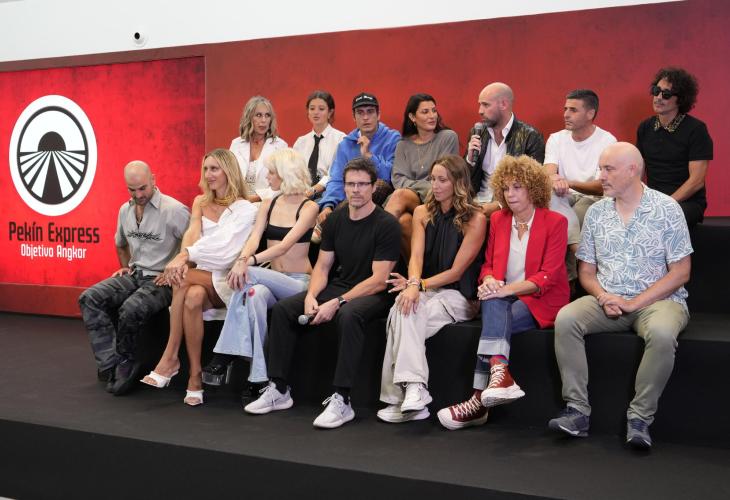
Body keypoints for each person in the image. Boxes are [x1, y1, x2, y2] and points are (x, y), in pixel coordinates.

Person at [549, 142, 692, 450]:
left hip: (659, 302)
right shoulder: (596, 212)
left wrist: (633, 304)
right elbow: (586, 272)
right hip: (608, 299)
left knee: (662, 334)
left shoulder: (667, 208)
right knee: (567, 319)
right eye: (600, 169)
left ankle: (640, 418)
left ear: (632, 170)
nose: (601, 176)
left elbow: (681, 272)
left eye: (608, 169)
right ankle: (577, 411)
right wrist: (603, 296)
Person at [245, 157, 401, 429]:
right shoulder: (336, 219)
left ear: (374, 186)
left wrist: (338, 302)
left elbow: (378, 280)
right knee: (284, 309)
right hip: (341, 284)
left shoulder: (386, 224)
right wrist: (311, 296)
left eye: (362, 184)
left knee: (349, 315)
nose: (355, 190)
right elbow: (323, 266)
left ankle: (342, 399)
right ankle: (279, 389)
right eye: (350, 184)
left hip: (375, 293)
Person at [438, 155, 569, 430]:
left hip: (540, 300)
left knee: (494, 312)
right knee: (492, 300)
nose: (510, 194)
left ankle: (477, 402)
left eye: (517, 187)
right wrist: (488, 280)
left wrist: (502, 289)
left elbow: (547, 277)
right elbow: (488, 265)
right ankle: (500, 374)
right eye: (506, 188)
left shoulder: (556, 222)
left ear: (533, 188)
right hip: (505, 296)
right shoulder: (498, 219)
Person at [140, 149, 257, 406]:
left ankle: (170, 357)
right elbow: (192, 234)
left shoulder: (245, 208)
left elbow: (225, 250)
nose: (208, 174)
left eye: (214, 168)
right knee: (192, 296)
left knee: (182, 279)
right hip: (199, 277)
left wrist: (183, 259)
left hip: (228, 280)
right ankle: (195, 377)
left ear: (229, 171)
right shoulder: (200, 202)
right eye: (206, 169)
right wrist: (183, 258)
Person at [202, 149, 318, 399]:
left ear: (286, 174)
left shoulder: (310, 207)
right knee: (253, 296)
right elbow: (254, 238)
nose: (268, 178)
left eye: (272, 173)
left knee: (250, 275)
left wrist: (248, 263)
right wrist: (243, 259)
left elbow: (285, 245)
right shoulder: (269, 203)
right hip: (270, 281)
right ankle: (259, 379)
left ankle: (224, 354)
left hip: (298, 284)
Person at [378, 155, 486, 424]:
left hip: (461, 295)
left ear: (458, 183)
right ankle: (416, 392)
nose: (435, 186)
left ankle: (398, 397)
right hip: (427, 290)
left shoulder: (476, 218)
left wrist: (418, 285)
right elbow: (415, 257)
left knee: (404, 313)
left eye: (442, 180)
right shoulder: (421, 213)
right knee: (402, 307)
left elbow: (457, 272)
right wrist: (414, 285)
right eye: (433, 179)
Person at [78, 161, 189, 395]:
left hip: (162, 281)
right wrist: (124, 267)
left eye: (143, 188)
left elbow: (194, 247)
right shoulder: (124, 210)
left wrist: (175, 270)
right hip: (135, 274)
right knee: (89, 298)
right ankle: (110, 363)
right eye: (132, 189)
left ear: (153, 180)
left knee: (130, 309)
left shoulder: (174, 210)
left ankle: (127, 361)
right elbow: (120, 244)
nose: (138, 195)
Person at [544, 89, 616, 280]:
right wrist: (555, 180)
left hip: (593, 198)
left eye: (573, 110)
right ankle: (574, 264)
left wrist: (568, 183)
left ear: (590, 113)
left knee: (565, 220)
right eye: (565, 109)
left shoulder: (607, 141)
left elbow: (601, 186)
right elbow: (548, 172)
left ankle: (568, 278)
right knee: (551, 203)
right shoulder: (556, 138)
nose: (566, 114)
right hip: (562, 194)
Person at [637, 67, 713, 227]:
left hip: (687, 202)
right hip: (653, 200)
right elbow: (639, 170)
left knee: (658, 219)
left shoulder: (696, 130)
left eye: (666, 94)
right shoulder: (645, 127)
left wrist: (666, 204)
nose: (658, 97)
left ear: (681, 99)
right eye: (656, 91)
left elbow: (697, 181)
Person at [385, 94, 459, 258]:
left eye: (434, 111)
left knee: (400, 194)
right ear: (412, 117)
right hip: (409, 200)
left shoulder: (448, 137)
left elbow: (444, 175)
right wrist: (421, 185)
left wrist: (414, 186)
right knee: (404, 221)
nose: (432, 116)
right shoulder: (403, 145)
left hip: (437, 196)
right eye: (425, 112)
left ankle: (371, 248)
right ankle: (416, 270)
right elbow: (398, 179)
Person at [316, 92, 401, 225]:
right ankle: (335, 220)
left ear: (378, 115)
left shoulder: (393, 138)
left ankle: (336, 221)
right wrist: (328, 205)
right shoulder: (345, 144)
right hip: (350, 198)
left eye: (370, 112)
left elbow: (391, 177)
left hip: (381, 197)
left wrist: (368, 156)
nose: (365, 117)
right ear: (354, 117)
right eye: (360, 113)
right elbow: (337, 179)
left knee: (377, 185)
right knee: (321, 209)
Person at [465, 82, 545, 218]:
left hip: (511, 203)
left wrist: (500, 205)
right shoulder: (477, 133)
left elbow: (534, 184)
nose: (480, 111)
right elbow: (465, 179)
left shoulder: (530, 136)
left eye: (485, 105)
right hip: (477, 200)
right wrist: (469, 160)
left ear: (503, 104)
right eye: (480, 104)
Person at [230, 95, 288, 202]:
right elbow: (229, 178)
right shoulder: (236, 144)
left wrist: (254, 198)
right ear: (249, 117)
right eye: (258, 115)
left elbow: (284, 184)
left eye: (267, 115)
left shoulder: (280, 146)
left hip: (266, 202)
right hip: (237, 201)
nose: (263, 120)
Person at [292, 90, 346, 200]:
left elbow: (335, 173)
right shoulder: (300, 142)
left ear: (330, 112)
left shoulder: (341, 139)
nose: (316, 112)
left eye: (321, 109)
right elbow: (293, 172)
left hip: (328, 194)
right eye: (312, 109)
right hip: (301, 194)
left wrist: (311, 191)